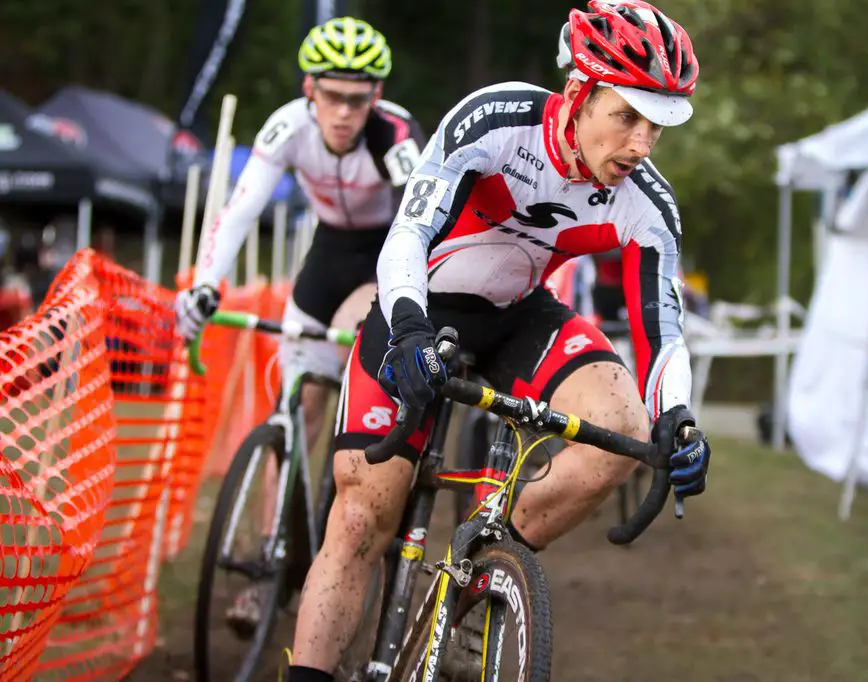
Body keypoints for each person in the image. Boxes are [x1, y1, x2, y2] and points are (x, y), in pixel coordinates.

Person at [284, 2, 712, 680]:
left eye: (655, 126)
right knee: (363, 512)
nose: (640, 145)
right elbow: (408, 235)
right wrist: (409, 331)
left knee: (624, 426)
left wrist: (678, 419)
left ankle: (471, 570)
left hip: (520, 313)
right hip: (422, 303)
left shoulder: (645, 203)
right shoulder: (497, 119)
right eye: (626, 117)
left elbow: (664, 333)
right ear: (578, 93)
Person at [173, 16, 426, 635]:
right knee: (294, 411)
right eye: (332, 95)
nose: (344, 112)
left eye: (358, 98)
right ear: (310, 89)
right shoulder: (287, 125)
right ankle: (268, 561)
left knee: (343, 341)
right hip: (324, 256)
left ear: (377, 95)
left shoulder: (396, 136)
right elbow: (238, 211)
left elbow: (419, 228)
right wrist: (207, 283)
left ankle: (354, 517)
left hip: (381, 254)